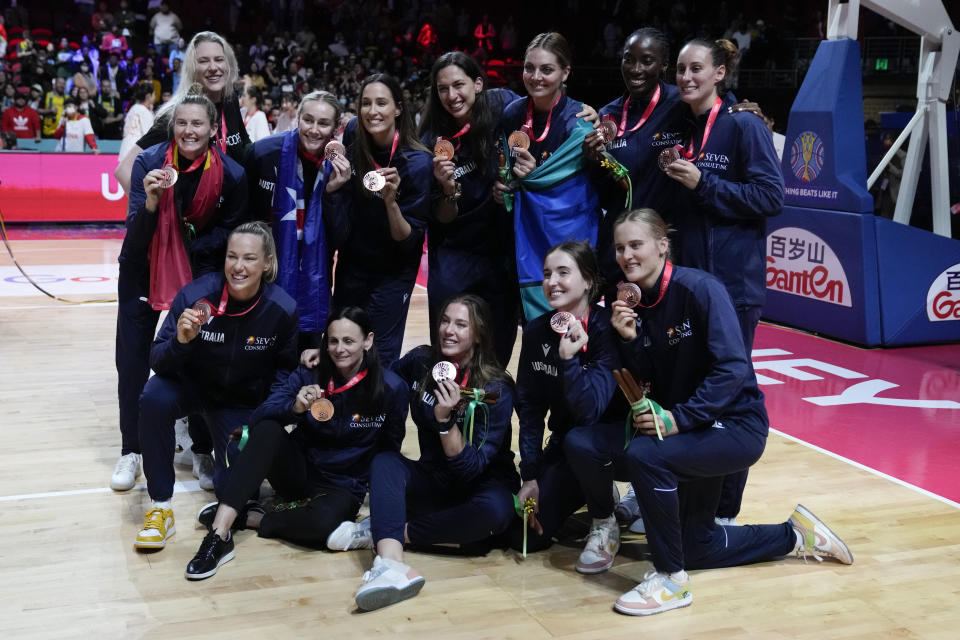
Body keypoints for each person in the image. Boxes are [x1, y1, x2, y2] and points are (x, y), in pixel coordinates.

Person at [563, 209, 851, 617]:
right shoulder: (634, 306)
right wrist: (629, 341)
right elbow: (650, 378)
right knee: (696, 543)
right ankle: (795, 535)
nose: (627, 255)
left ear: (663, 245)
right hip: (687, 427)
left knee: (647, 456)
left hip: (733, 425)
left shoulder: (701, 289)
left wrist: (678, 418)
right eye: (621, 247)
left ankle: (671, 581)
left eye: (637, 245)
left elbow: (732, 369)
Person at [184, 306, 408, 579]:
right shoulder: (311, 372)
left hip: (342, 488)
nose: (339, 349)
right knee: (268, 430)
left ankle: (252, 517)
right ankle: (218, 536)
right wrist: (295, 407)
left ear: (368, 341)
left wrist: (377, 500)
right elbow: (260, 415)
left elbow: (389, 449)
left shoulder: (392, 388)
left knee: (324, 527)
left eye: (349, 341)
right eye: (333, 341)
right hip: (299, 473)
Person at [328, 294, 519, 611]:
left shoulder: (495, 389)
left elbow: (470, 470)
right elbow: (381, 379)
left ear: (479, 334)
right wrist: (329, 364)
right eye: (445, 321)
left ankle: (388, 532)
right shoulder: (422, 362)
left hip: (480, 490)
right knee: (386, 463)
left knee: (496, 512)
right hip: (433, 481)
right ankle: (391, 566)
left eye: (461, 324)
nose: (449, 330)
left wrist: (445, 424)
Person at [664, 38, 784, 523]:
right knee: (688, 388)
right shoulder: (682, 126)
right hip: (691, 287)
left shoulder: (743, 125)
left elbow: (770, 196)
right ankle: (682, 490)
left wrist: (704, 184)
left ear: (720, 74)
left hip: (733, 289)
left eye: (697, 69)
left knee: (729, 394)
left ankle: (725, 510)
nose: (687, 77)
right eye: (681, 70)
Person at [111, 87, 248, 493]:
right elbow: (135, 241)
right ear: (174, 127)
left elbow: (229, 235)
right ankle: (131, 449)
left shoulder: (232, 175)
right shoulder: (149, 164)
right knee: (132, 361)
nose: (189, 130)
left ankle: (202, 447)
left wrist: (191, 245)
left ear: (212, 129)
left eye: (197, 124)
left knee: (197, 356)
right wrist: (152, 204)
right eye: (182, 123)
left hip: (199, 272)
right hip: (142, 270)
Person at [134, 222, 299, 551]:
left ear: (267, 263)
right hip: (192, 388)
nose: (238, 267)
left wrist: (262, 419)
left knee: (237, 495)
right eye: (232, 256)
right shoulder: (195, 296)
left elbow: (285, 376)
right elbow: (157, 359)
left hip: (239, 405)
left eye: (249, 258)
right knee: (153, 397)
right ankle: (160, 508)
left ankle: (227, 468)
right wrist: (181, 342)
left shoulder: (282, 310)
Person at [508, 241, 625, 553]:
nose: (552, 282)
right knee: (523, 532)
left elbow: (589, 413)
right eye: (547, 274)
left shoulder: (605, 331)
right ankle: (595, 491)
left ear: (588, 280)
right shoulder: (536, 331)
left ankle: (603, 512)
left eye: (563, 272)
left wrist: (569, 361)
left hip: (608, 444)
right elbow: (530, 409)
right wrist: (530, 476)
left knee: (581, 444)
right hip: (564, 445)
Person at [418, 51, 521, 367]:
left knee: (498, 346)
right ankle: (448, 410)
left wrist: (584, 111)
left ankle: (492, 409)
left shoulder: (505, 107)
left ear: (478, 84)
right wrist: (447, 190)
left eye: (458, 85)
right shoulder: (430, 140)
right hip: (454, 255)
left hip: (502, 254)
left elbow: (542, 115)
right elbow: (440, 217)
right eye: (442, 88)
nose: (451, 95)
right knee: (450, 347)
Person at [496, 32, 601, 321]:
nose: (535, 77)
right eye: (529, 68)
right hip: (527, 238)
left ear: (565, 72)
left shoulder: (581, 121)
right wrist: (505, 185)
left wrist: (538, 182)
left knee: (574, 324)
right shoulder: (511, 114)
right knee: (538, 330)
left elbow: (598, 184)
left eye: (547, 69)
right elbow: (504, 168)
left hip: (572, 235)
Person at [331, 74, 432, 365]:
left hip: (393, 271)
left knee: (378, 356)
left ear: (398, 108)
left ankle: (376, 410)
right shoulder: (353, 133)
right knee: (343, 346)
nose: (372, 111)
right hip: (353, 264)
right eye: (366, 103)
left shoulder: (417, 163)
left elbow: (407, 239)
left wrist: (390, 202)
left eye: (381, 103)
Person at [245, 90, 352, 359]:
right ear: (297, 119)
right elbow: (246, 220)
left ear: (336, 128)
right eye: (308, 120)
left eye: (323, 123)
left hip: (315, 283)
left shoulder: (342, 168)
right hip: (267, 280)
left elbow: (341, 238)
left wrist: (333, 192)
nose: (314, 130)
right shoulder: (263, 153)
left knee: (307, 365)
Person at [583, 28, 683, 303]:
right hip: (619, 250)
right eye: (629, 59)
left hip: (665, 249)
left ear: (664, 64)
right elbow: (604, 192)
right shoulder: (608, 116)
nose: (636, 69)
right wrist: (595, 163)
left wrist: (738, 107)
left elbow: (716, 113)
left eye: (647, 60)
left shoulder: (681, 106)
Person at [115, 31, 250, 193]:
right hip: (193, 216)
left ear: (228, 64)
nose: (213, 67)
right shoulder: (176, 114)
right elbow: (123, 171)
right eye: (203, 61)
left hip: (231, 212)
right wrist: (153, 210)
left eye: (219, 59)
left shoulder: (230, 100)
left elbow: (244, 149)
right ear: (192, 68)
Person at [118, 83, 155, 163]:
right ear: (148, 96)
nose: (155, 97)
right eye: (154, 94)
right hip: (136, 149)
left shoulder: (133, 108)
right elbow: (148, 134)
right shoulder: (145, 111)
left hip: (126, 146)